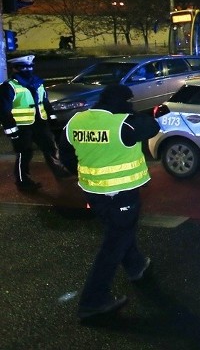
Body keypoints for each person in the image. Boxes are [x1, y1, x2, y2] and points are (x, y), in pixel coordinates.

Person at [58, 84, 161, 321]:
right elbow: (151, 126)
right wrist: (133, 113)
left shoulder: (77, 121)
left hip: (93, 193)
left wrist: (85, 173)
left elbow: (64, 152)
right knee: (113, 244)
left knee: (119, 232)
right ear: (123, 102)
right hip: (121, 194)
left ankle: (136, 266)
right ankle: (93, 301)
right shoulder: (124, 124)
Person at [1, 54, 71, 191]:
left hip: (40, 123)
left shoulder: (38, 82)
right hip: (22, 127)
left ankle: (58, 171)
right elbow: (3, 111)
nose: (28, 70)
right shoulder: (8, 87)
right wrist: (11, 130)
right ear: (15, 69)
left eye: (30, 67)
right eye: (24, 67)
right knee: (24, 153)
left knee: (50, 148)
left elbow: (45, 102)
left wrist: (52, 118)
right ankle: (22, 181)